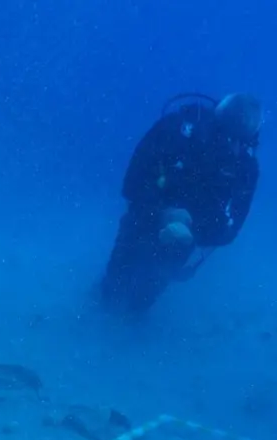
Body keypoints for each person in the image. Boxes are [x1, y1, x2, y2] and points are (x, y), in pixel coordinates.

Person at [96, 92, 262, 315]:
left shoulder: (245, 168)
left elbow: (230, 229)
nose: (229, 146)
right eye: (224, 136)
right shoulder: (175, 129)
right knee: (114, 282)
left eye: (237, 141)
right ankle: (102, 310)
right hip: (142, 219)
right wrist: (163, 213)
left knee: (143, 299)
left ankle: (130, 320)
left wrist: (193, 229)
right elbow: (133, 182)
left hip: (182, 241)